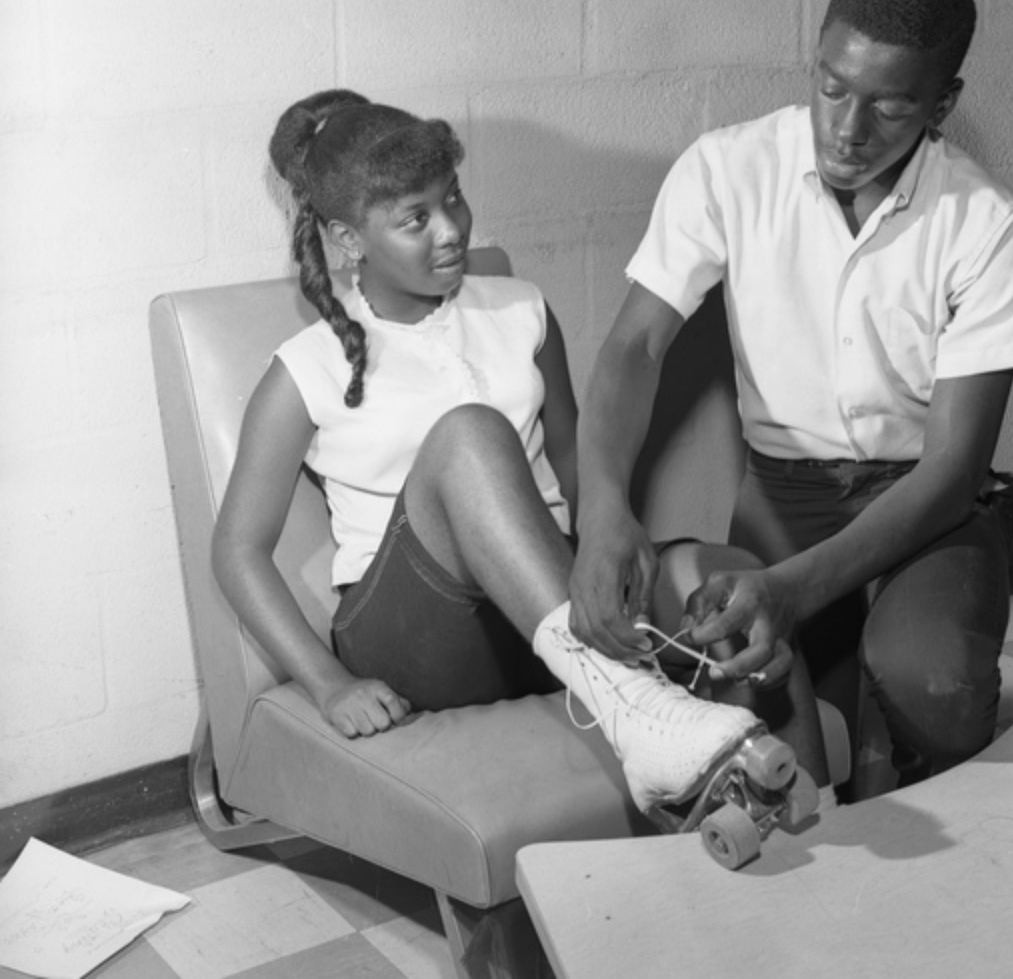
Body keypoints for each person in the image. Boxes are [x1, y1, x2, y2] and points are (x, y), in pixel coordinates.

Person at [211, 88, 825, 816]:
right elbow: (237, 550)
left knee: (729, 582)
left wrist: (613, 536)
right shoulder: (305, 368)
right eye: (416, 218)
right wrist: (328, 683)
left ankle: (814, 824)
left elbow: (574, 465)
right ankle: (633, 705)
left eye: (453, 199)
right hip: (421, 638)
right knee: (470, 433)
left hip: (546, 606)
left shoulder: (520, 306)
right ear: (348, 241)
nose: (449, 230)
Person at [570, 0, 1013, 790]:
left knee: (926, 682)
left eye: (890, 107)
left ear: (943, 104)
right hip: (784, 492)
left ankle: (932, 810)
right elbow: (634, 347)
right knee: (753, 700)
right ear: (816, 56)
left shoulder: (989, 225)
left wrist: (793, 590)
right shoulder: (727, 168)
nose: (847, 130)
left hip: (927, 505)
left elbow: (951, 467)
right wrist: (604, 507)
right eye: (831, 87)